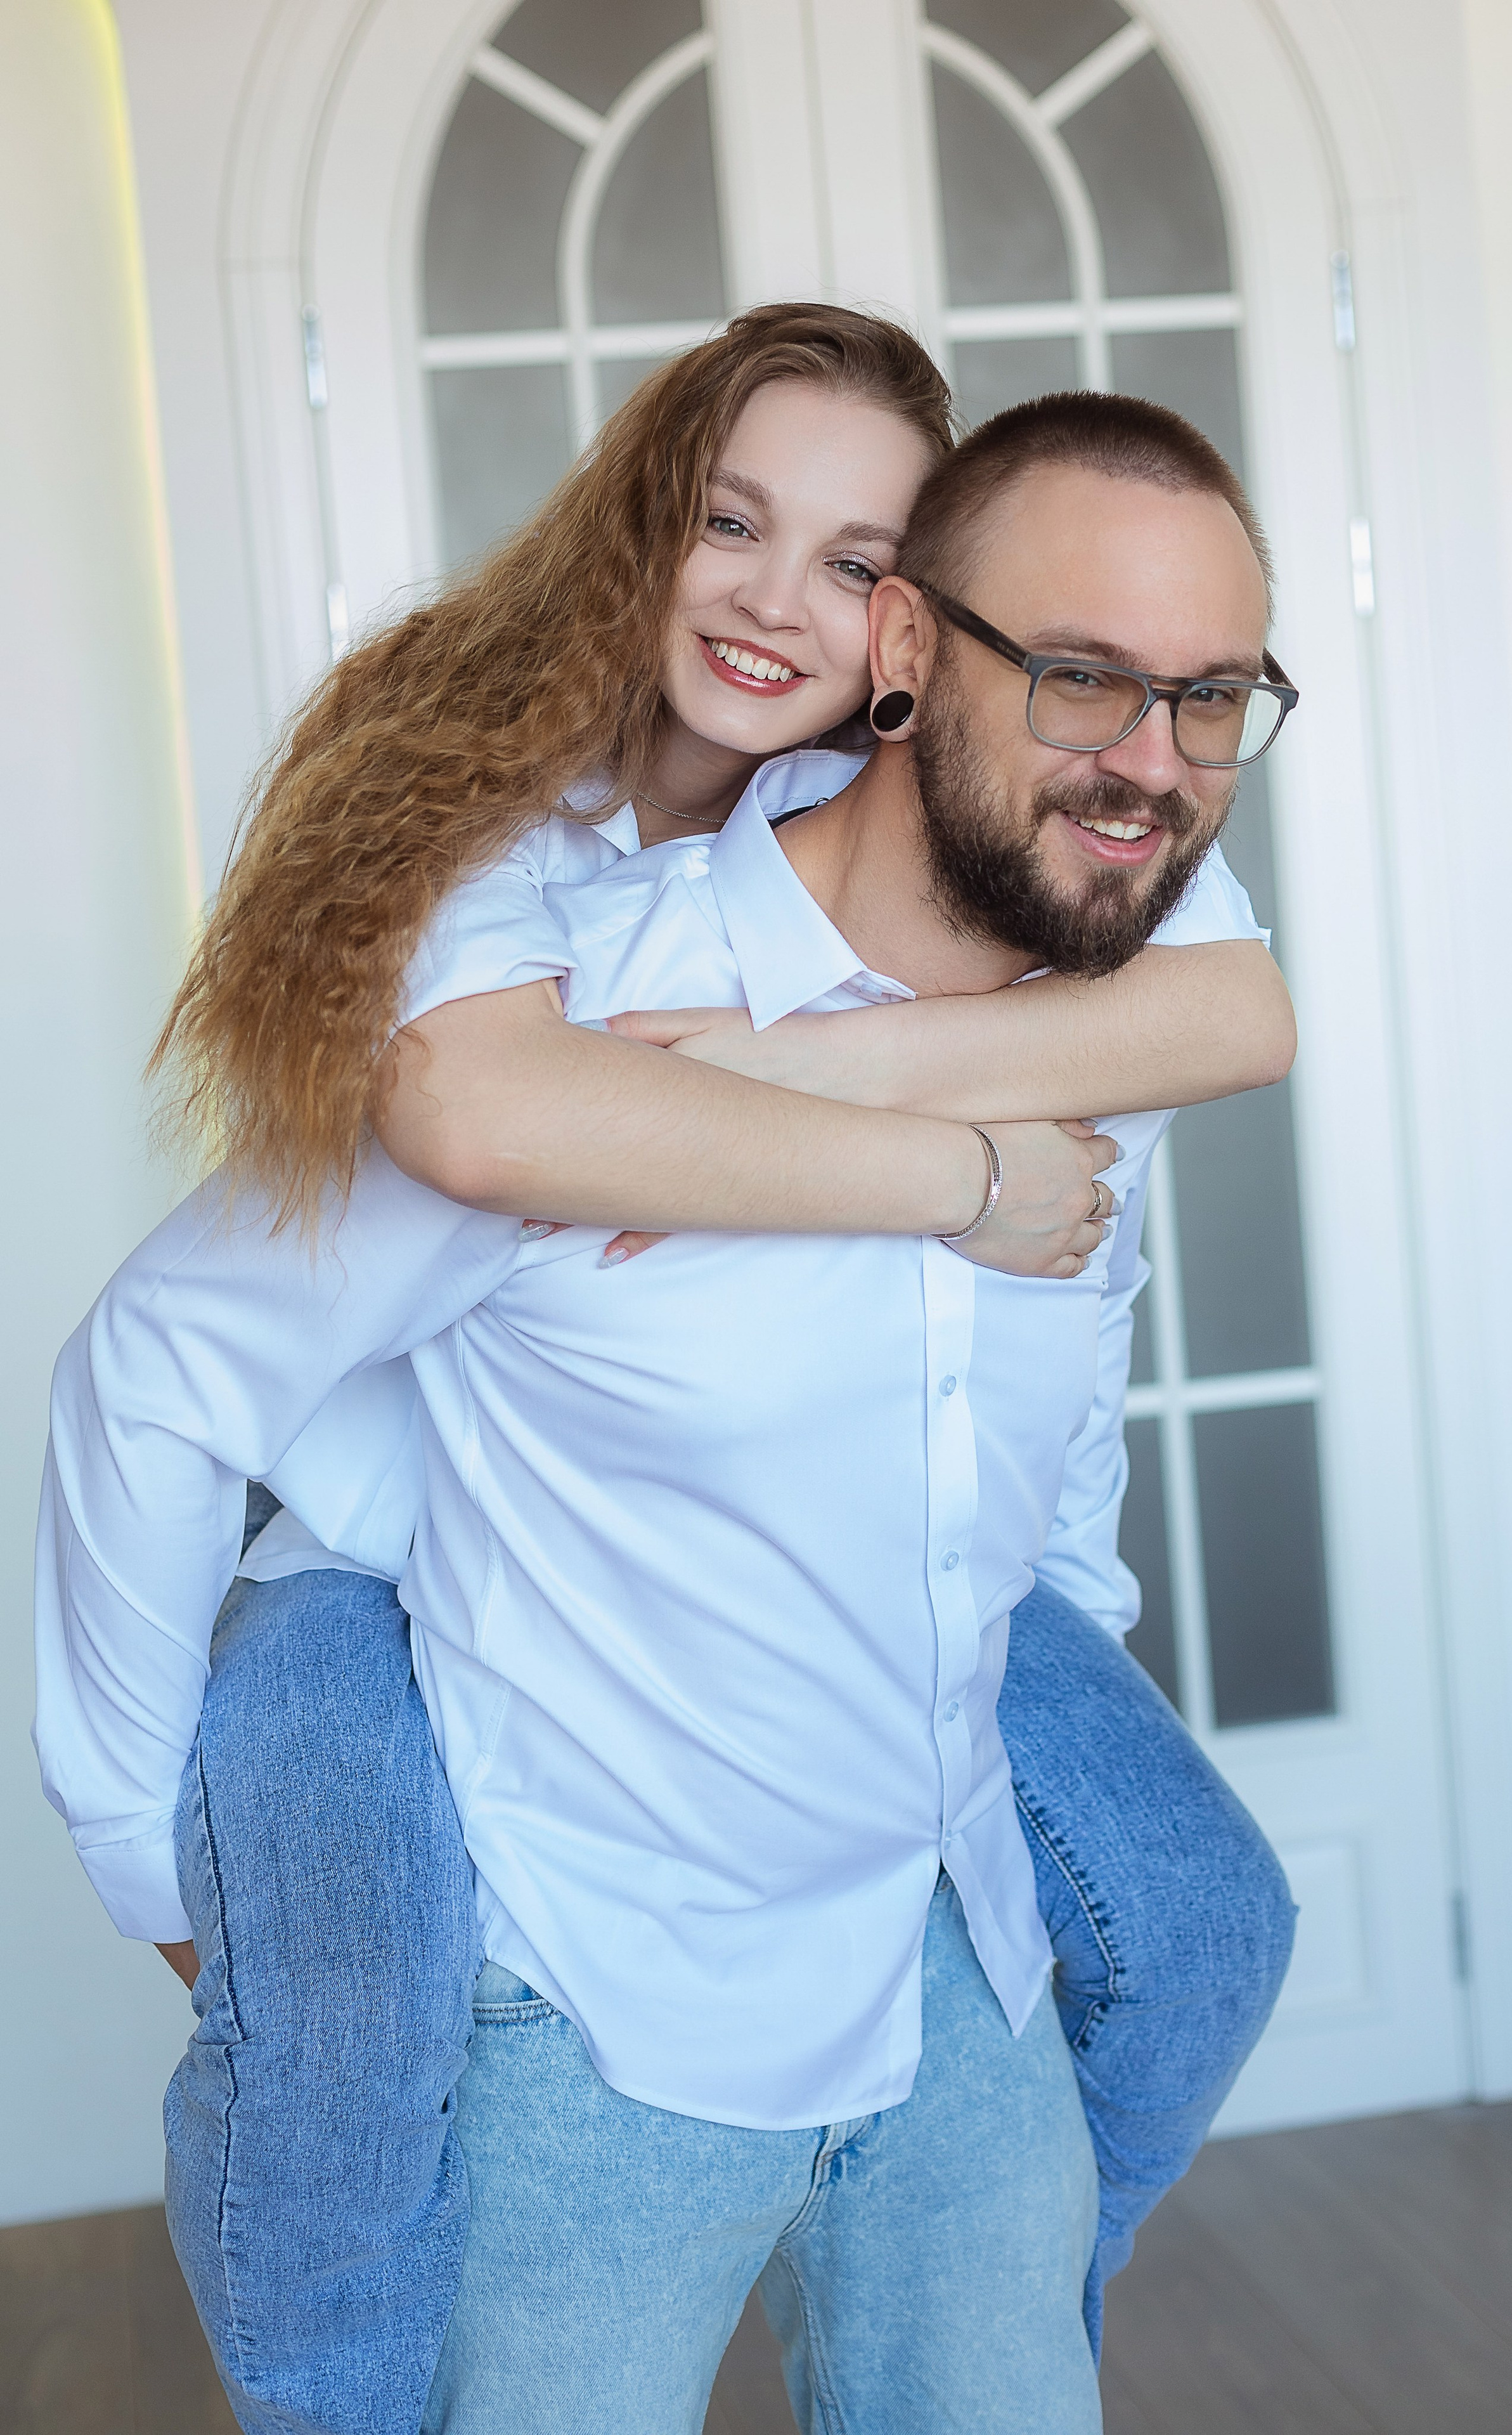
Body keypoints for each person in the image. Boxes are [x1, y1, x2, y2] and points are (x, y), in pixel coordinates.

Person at [36, 314, 1295, 2433]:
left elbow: (1103, 1273)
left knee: (1197, 1928)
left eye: (1207, 700)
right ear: (931, 650)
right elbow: (185, 1348)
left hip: (930, 1923)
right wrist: (147, 1867)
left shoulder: (1094, 947)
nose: (1148, 753)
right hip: (499, 1810)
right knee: (333, 2091)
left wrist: (871, 1111)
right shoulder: (548, 980)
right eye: (1081, 674)